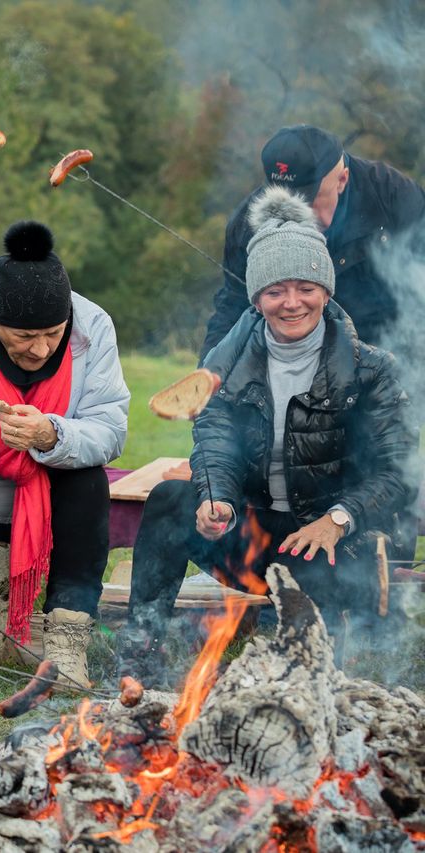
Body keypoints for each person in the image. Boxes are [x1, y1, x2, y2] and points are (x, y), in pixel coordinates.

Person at [120, 187, 418, 686]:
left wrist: (338, 520)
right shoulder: (226, 367)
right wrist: (216, 499)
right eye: (276, 290)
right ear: (257, 297)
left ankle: (313, 666)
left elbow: (396, 471)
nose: (292, 302)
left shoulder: (371, 371)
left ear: (326, 289)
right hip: (251, 535)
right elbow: (213, 440)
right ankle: (138, 661)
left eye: (306, 287)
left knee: (309, 672)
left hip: (324, 547)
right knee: (172, 499)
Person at [0, 221, 130, 689]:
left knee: (89, 479)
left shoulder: (93, 329)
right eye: (25, 336)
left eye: (53, 333)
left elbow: (110, 429)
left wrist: (51, 435)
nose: (41, 348)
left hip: (55, 495)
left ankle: (67, 642)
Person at [200, 124, 425, 359]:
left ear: (341, 180)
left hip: (391, 342)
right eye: (285, 201)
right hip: (301, 355)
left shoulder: (390, 195)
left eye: (308, 200)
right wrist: (208, 373)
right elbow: (234, 304)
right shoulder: (248, 225)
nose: (297, 215)